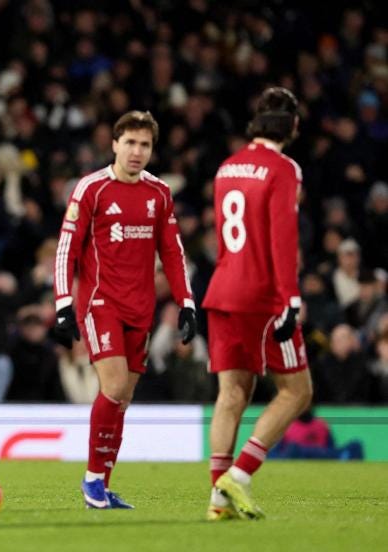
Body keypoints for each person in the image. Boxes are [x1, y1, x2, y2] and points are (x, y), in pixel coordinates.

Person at [52, 110, 196, 509]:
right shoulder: (92, 189)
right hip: (100, 304)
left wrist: (186, 302)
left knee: (123, 399)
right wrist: (64, 303)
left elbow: (172, 251)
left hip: (141, 309)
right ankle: (92, 481)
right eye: (130, 142)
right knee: (113, 387)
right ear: (114, 144)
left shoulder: (159, 194)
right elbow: (66, 249)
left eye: (144, 144)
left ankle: (102, 485)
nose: (136, 151)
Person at [202, 87, 313, 521]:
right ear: (294, 127)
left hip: (222, 289)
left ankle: (217, 499)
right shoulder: (283, 169)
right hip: (262, 296)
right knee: (297, 392)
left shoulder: (228, 166)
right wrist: (291, 297)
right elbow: (282, 236)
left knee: (230, 394)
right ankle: (240, 476)